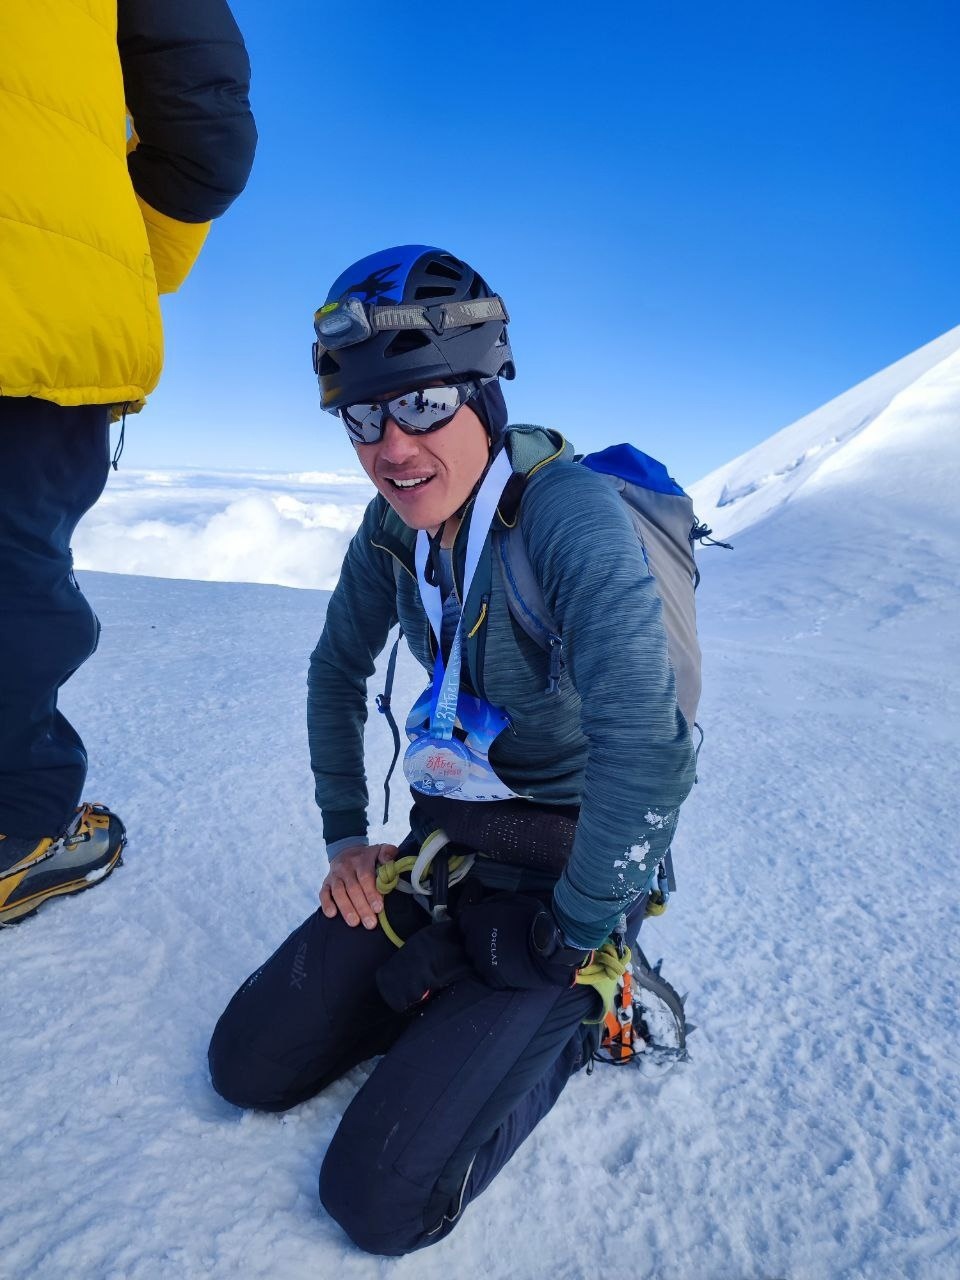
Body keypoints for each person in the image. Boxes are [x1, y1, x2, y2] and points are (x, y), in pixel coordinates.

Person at [208, 245, 697, 1254]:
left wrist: (574, 928)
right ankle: (457, 1010)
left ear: (484, 392)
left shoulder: (565, 520)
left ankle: (585, 1011)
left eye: (423, 404)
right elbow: (335, 671)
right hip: (452, 846)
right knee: (246, 1065)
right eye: (362, 417)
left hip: (570, 872)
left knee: (380, 1200)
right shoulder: (394, 531)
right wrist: (348, 838)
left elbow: (648, 748)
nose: (391, 446)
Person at [0, 0, 257, 925]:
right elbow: (203, 122)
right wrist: (117, 256)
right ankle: (14, 833)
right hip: (30, 299)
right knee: (10, 573)